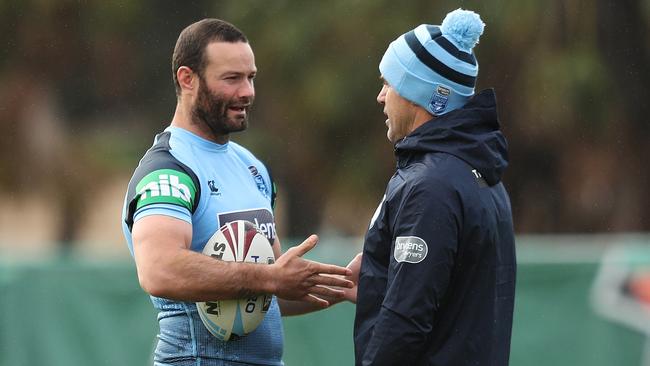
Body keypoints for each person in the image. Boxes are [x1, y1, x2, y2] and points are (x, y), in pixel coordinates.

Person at [121, 19, 357, 366]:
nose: (247, 92)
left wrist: (343, 285)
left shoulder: (252, 168)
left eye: (251, 78)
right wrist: (270, 278)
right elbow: (159, 270)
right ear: (187, 79)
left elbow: (265, 296)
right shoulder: (169, 170)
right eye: (231, 78)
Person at [353, 8, 516, 366]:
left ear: (421, 94)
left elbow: (406, 320)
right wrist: (377, 279)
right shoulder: (481, 174)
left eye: (389, 83)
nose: (381, 96)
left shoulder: (431, 186)